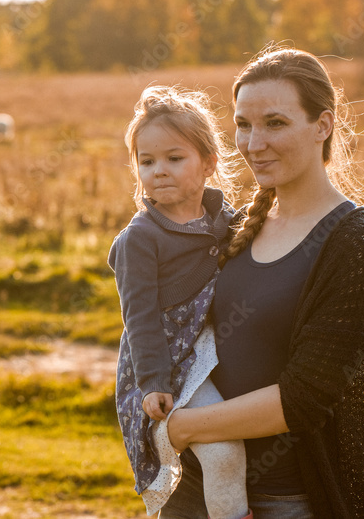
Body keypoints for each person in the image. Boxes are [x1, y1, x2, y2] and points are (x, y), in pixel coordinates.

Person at [163, 47, 364, 518]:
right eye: (244, 124)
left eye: (275, 123)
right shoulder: (231, 228)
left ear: (323, 125)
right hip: (199, 492)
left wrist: (183, 428)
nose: (254, 143)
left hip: (291, 501)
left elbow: (304, 398)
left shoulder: (355, 244)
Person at [109, 86, 252, 519]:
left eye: (175, 158)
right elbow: (140, 317)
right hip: (170, 364)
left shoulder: (223, 220)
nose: (159, 171)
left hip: (209, 350)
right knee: (224, 450)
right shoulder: (141, 238)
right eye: (147, 162)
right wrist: (154, 381)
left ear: (208, 162)